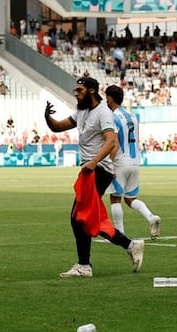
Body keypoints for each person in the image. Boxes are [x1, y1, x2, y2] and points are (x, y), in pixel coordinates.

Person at [44, 77, 145, 278]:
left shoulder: (104, 113)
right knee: (87, 218)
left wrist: (93, 161)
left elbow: (111, 141)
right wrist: (47, 117)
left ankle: (84, 265)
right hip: (90, 170)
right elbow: (57, 127)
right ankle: (130, 245)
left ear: (91, 90)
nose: (76, 93)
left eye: (79, 90)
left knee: (78, 217)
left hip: (98, 170)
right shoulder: (82, 112)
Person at [103, 85, 161, 239]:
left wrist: (110, 164)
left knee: (115, 198)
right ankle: (151, 217)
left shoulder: (113, 117)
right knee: (130, 199)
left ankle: (119, 234)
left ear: (110, 98)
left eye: (106, 97)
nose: (105, 100)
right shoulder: (133, 116)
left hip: (121, 162)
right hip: (135, 161)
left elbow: (114, 142)